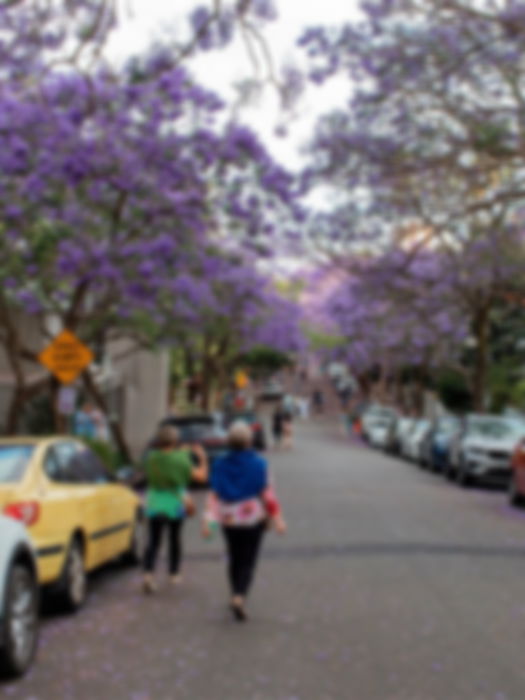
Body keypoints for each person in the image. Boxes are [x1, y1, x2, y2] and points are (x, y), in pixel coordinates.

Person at [202, 421, 286, 621]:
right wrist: (278, 519)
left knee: (234, 556)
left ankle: (234, 592)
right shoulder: (260, 464)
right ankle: (240, 595)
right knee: (248, 559)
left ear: (228, 442)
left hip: (228, 517)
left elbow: (213, 495)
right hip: (252, 517)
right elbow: (268, 495)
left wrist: (208, 522)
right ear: (249, 441)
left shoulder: (220, 464)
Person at [142, 425, 208, 594]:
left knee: (153, 541)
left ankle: (148, 574)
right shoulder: (182, 459)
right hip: (175, 503)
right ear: (175, 441)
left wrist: (182, 450)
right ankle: (173, 572)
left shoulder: (151, 458)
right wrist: (202, 458)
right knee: (174, 538)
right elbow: (201, 477)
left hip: (155, 502)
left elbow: (165, 457)